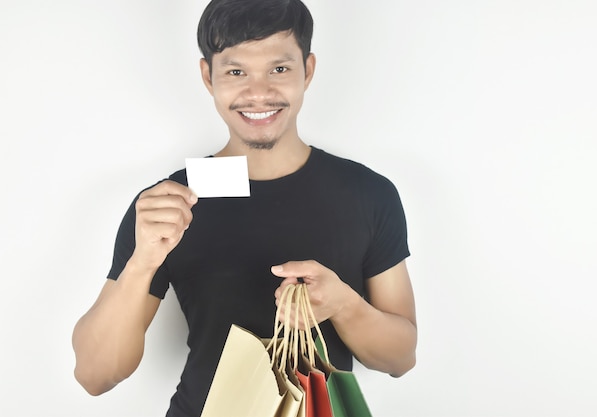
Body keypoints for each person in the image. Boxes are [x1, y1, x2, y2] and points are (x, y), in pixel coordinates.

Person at [72, 0, 417, 415]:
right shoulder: (168, 205)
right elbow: (95, 375)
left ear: (307, 70)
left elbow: (401, 359)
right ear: (208, 76)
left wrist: (344, 305)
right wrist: (142, 261)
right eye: (236, 72)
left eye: (279, 69)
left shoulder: (368, 193)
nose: (258, 92)